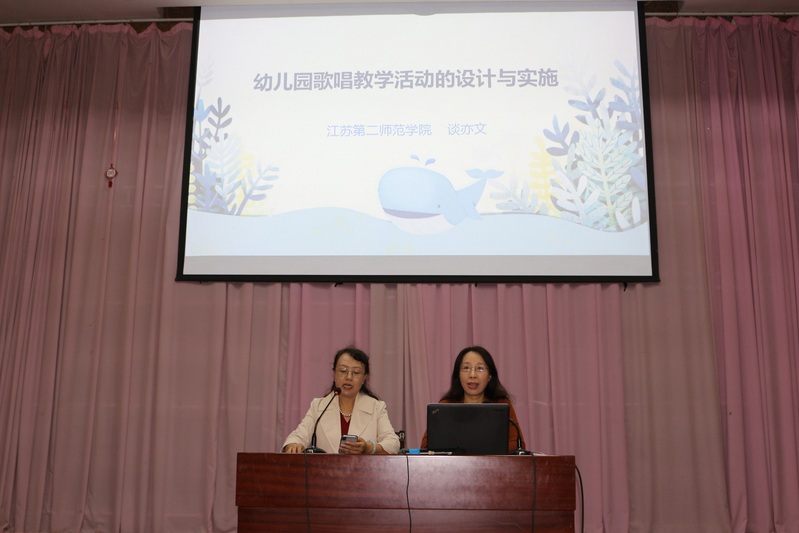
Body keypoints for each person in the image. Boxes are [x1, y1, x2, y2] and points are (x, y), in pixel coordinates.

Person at [282, 346, 401, 454]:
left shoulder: (376, 407)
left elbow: (393, 443)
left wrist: (368, 448)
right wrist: (293, 445)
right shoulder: (318, 406)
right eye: (343, 371)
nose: (349, 377)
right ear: (334, 374)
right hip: (325, 471)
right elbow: (297, 437)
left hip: (364, 471)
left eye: (356, 372)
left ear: (364, 378)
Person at [420, 345, 526, 453]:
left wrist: (469, 448)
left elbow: (518, 445)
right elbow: (426, 446)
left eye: (480, 368)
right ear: (458, 375)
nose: (472, 375)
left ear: (490, 376)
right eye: (466, 368)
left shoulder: (501, 404)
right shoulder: (446, 406)